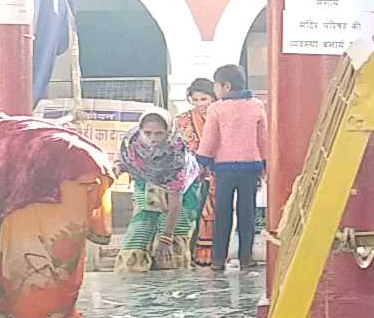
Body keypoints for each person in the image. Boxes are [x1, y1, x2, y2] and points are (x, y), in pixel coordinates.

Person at [0, 114, 113, 318]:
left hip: (55, 189)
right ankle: (60, 311)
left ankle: (32, 313)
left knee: (28, 251)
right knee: (66, 251)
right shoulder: (27, 129)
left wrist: (2, 222)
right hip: (93, 172)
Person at [197, 64, 269, 271]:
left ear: (226, 86)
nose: (216, 91)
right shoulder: (256, 105)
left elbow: (210, 139)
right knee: (247, 212)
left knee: (223, 212)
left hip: (224, 168)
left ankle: (218, 259)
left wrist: (202, 161)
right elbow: (263, 138)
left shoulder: (216, 109)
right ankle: (245, 257)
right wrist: (265, 163)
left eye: (216, 86)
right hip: (250, 167)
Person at [115, 108, 202, 273]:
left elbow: (175, 204)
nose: (152, 139)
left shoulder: (176, 158)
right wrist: (118, 167)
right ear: (140, 130)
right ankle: (135, 285)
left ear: (168, 133)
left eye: (158, 134)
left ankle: (173, 284)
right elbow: (123, 160)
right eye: (147, 133)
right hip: (147, 187)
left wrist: (166, 238)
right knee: (137, 237)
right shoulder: (131, 143)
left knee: (172, 244)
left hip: (181, 194)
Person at [174, 78, 219, 267]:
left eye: (204, 99)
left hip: (217, 171)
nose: (200, 104)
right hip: (191, 174)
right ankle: (190, 251)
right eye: (196, 99)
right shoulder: (182, 120)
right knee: (191, 212)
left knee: (213, 213)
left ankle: (212, 252)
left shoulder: (220, 116)